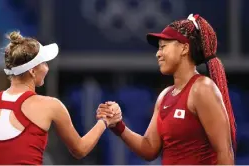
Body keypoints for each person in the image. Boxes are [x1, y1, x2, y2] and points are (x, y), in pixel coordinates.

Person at [97, 14, 236, 164]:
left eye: (163, 47)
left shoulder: (202, 89)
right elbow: (149, 149)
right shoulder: (165, 95)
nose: (158, 54)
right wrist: (118, 126)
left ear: (184, 48)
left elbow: (225, 153)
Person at [0, 31, 121, 165]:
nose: (47, 68)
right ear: (32, 71)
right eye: (43, 63)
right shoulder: (51, 106)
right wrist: (104, 121)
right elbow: (80, 150)